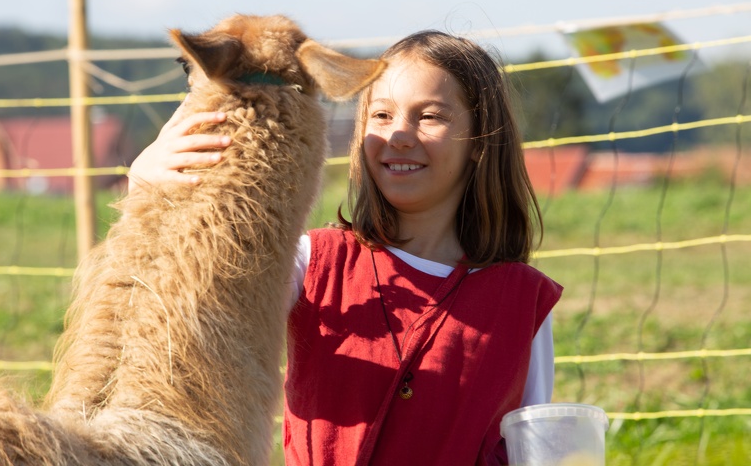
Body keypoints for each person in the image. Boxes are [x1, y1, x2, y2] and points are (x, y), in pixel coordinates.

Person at [128, 30, 562, 465]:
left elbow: (535, 452)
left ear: (480, 138)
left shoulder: (524, 303)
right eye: (381, 115)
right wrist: (145, 190)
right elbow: (190, 315)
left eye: (430, 116)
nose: (400, 135)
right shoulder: (309, 264)